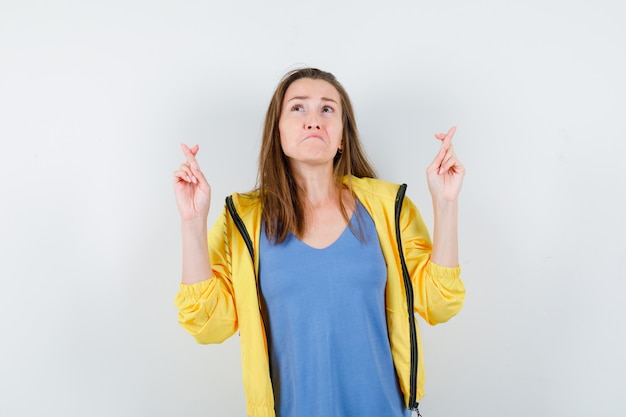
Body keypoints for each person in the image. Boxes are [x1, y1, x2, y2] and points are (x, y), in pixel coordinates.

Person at [173, 67, 466, 417]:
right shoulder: (243, 220)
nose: (314, 120)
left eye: (327, 109)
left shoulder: (389, 209)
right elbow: (208, 324)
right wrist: (192, 221)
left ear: (342, 136)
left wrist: (446, 204)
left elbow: (439, 303)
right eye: (298, 108)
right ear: (277, 132)